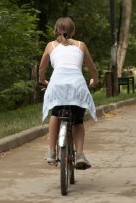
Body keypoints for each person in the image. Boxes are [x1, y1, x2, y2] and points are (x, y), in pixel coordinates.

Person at [39, 17, 99, 169]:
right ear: (73, 31)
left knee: (55, 114)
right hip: (77, 86)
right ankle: (79, 155)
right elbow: (92, 68)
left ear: (56, 30)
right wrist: (95, 80)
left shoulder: (50, 46)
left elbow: (42, 68)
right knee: (78, 121)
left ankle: (52, 151)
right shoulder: (81, 45)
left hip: (57, 85)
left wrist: (43, 80)